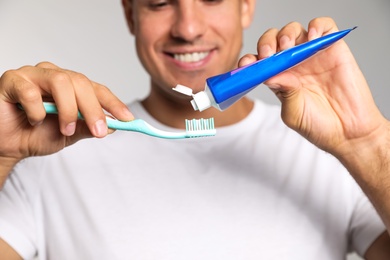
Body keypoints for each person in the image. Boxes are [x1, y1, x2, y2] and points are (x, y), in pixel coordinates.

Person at [0, 0, 389, 258]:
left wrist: (365, 143)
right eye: (159, 2)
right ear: (130, 14)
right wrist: (1, 156)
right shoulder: (47, 151)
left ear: (246, 5)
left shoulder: (335, 158)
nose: (187, 28)